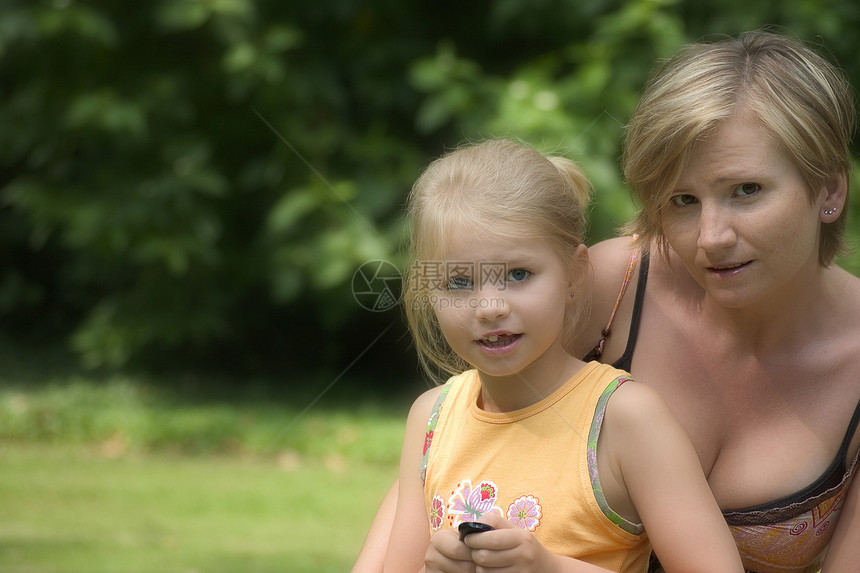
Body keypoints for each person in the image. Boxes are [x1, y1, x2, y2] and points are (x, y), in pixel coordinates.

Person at [352, 30, 860, 573]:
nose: (711, 236)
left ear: (829, 191)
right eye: (683, 200)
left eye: (747, 191)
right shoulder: (608, 287)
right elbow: (454, 453)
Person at [382, 138, 743, 572]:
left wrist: (549, 568)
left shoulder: (623, 418)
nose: (489, 307)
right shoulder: (431, 419)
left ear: (574, 274)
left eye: (518, 274)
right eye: (459, 282)